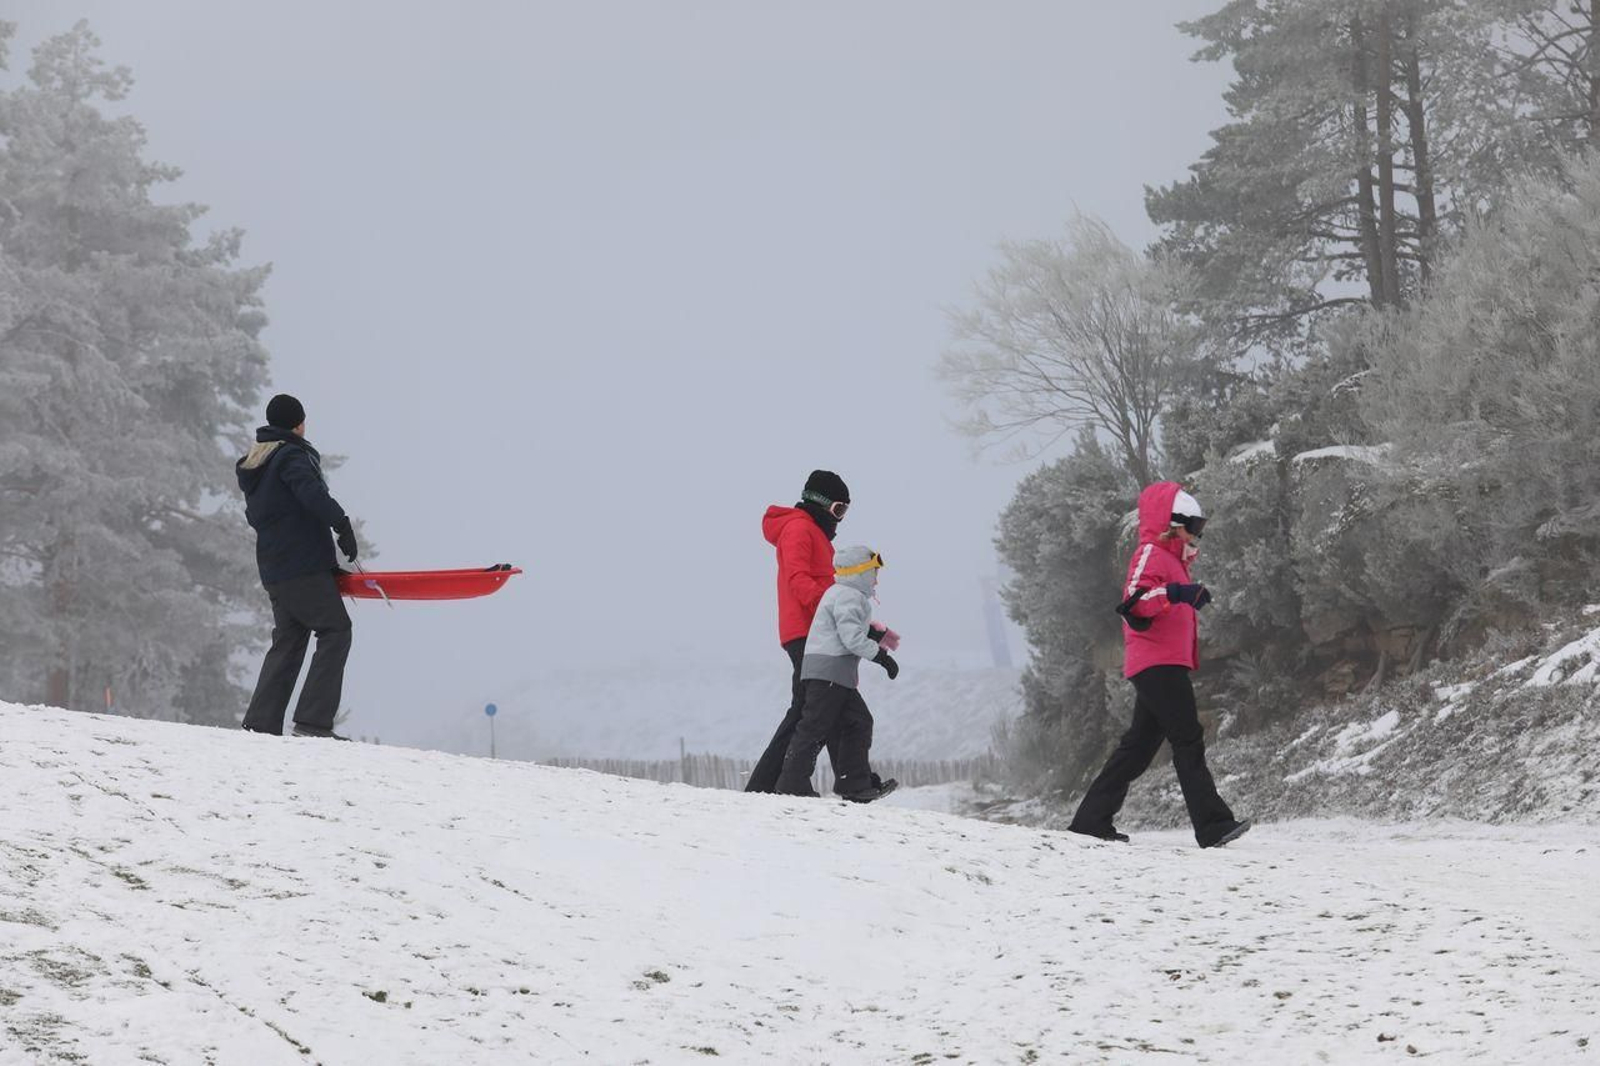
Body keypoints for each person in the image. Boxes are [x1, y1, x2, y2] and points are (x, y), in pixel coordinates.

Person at [1068, 482, 1251, 848]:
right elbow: (1135, 601)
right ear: (1172, 523)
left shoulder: (1172, 561)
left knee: (1137, 748)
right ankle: (1212, 824)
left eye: (1201, 526)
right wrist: (1176, 593)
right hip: (1157, 662)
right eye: (1193, 526)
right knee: (1187, 737)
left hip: (1162, 662)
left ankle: (1090, 820)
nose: (1198, 534)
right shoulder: (1151, 553)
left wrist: (1183, 590)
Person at [237, 394, 360, 739]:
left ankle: (261, 723)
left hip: (276, 569)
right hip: (301, 567)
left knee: (289, 640)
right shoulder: (290, 456)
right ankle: (312, 722)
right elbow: (311, 496)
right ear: (297, 424)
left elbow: (272, 514)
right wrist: (342, 524)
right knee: (336, 630)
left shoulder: (259, 463)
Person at [745, 471, 851, 793]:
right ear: (820, 503)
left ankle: (765, 786)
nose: (841, 520)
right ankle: (789, 784)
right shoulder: (799, 529)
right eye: (838, 510)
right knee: (817, 707)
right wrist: (833, 607)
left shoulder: (812, 531)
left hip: (815, 630)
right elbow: (799, 580)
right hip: (807, 631)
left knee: (807, 707)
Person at [775, 546, 899, 802]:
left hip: (833, 673)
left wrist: (874, 636)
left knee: (858, 722)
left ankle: (855, 783)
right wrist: (881, 656)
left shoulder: (842, 595)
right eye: (873, 571)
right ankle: (792, 784)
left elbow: (850, 628)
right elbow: (851, 636)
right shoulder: (847, 596)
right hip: (828, 673)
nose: (876, 578)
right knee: (814, 728)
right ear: (859, 572)